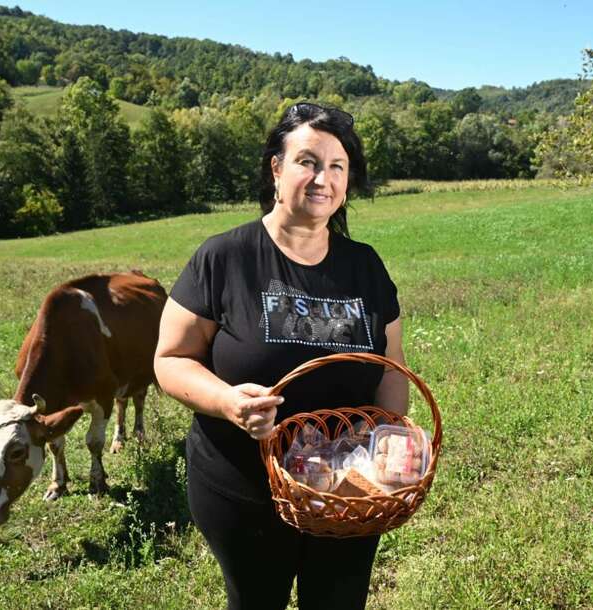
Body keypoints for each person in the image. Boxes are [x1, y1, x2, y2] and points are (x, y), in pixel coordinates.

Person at [154, 102, 408, 610]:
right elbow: (170, 359)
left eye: (337, 167)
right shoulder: (224, 258)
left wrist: (387, 444)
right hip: (244, 488)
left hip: (346, 492)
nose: (323, 179)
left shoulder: (365, 266)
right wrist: (227, 401)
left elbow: (391, 367)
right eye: (307, 162)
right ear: (276, 168)